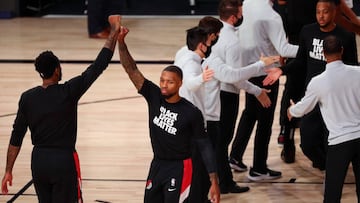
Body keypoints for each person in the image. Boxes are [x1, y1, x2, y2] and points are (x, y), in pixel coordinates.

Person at [1, 15, 121, 203]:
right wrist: (113, 32)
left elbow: (16, 137)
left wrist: (8, 170)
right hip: (63, 160)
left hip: (39, 161)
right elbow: (98, 66)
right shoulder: (68, 92)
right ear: (57, 69)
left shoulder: (27, 98)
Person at [117, 26, 220, 203]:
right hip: (157, 164)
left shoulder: (191, 112)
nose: (164, 85)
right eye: (162, 80)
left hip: (180, 167)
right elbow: (131, 70)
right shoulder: (154, 96)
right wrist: (121, 43)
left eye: (170, 82)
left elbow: (205, 146)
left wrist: (214, 180)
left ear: (180, 84)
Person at [264, 0, 358, 171]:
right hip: (313, 97)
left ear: (333, 13)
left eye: (325, 12)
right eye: (318, 12)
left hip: (334, 101)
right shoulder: (307, 32)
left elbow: (352, 68)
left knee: (330, 143)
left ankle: (333, 172)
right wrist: (281, 70)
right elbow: (300, 61)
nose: (321, 16)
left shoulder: (346, 36)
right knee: (307, 144)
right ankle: (327, 165)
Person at [204, 0, 278, 192]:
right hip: (226, 95)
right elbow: (235, 77)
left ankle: (220, 179)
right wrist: (257, 87)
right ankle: (225, 183)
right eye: (241, 13)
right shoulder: (232, 41)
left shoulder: (216, 35)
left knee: (219, 141)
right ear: (234, 17)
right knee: (222, 141)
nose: (242, 16)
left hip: (214, 93)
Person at [227, 0, 298, 181]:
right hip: (266, 71)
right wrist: (311, 46)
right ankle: (258, 168)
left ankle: (235, 155)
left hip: (247, 68)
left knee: (250, 113)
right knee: (265, 121)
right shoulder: (272, 16)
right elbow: (284, 49)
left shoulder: (249, 2)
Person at [287, 35, 360, 203]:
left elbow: (303, 109)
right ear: (342, 51)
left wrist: (291, 109)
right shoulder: (358, 73)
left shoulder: (318, 82)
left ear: (323, 53)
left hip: (339, 143)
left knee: (332, 194)